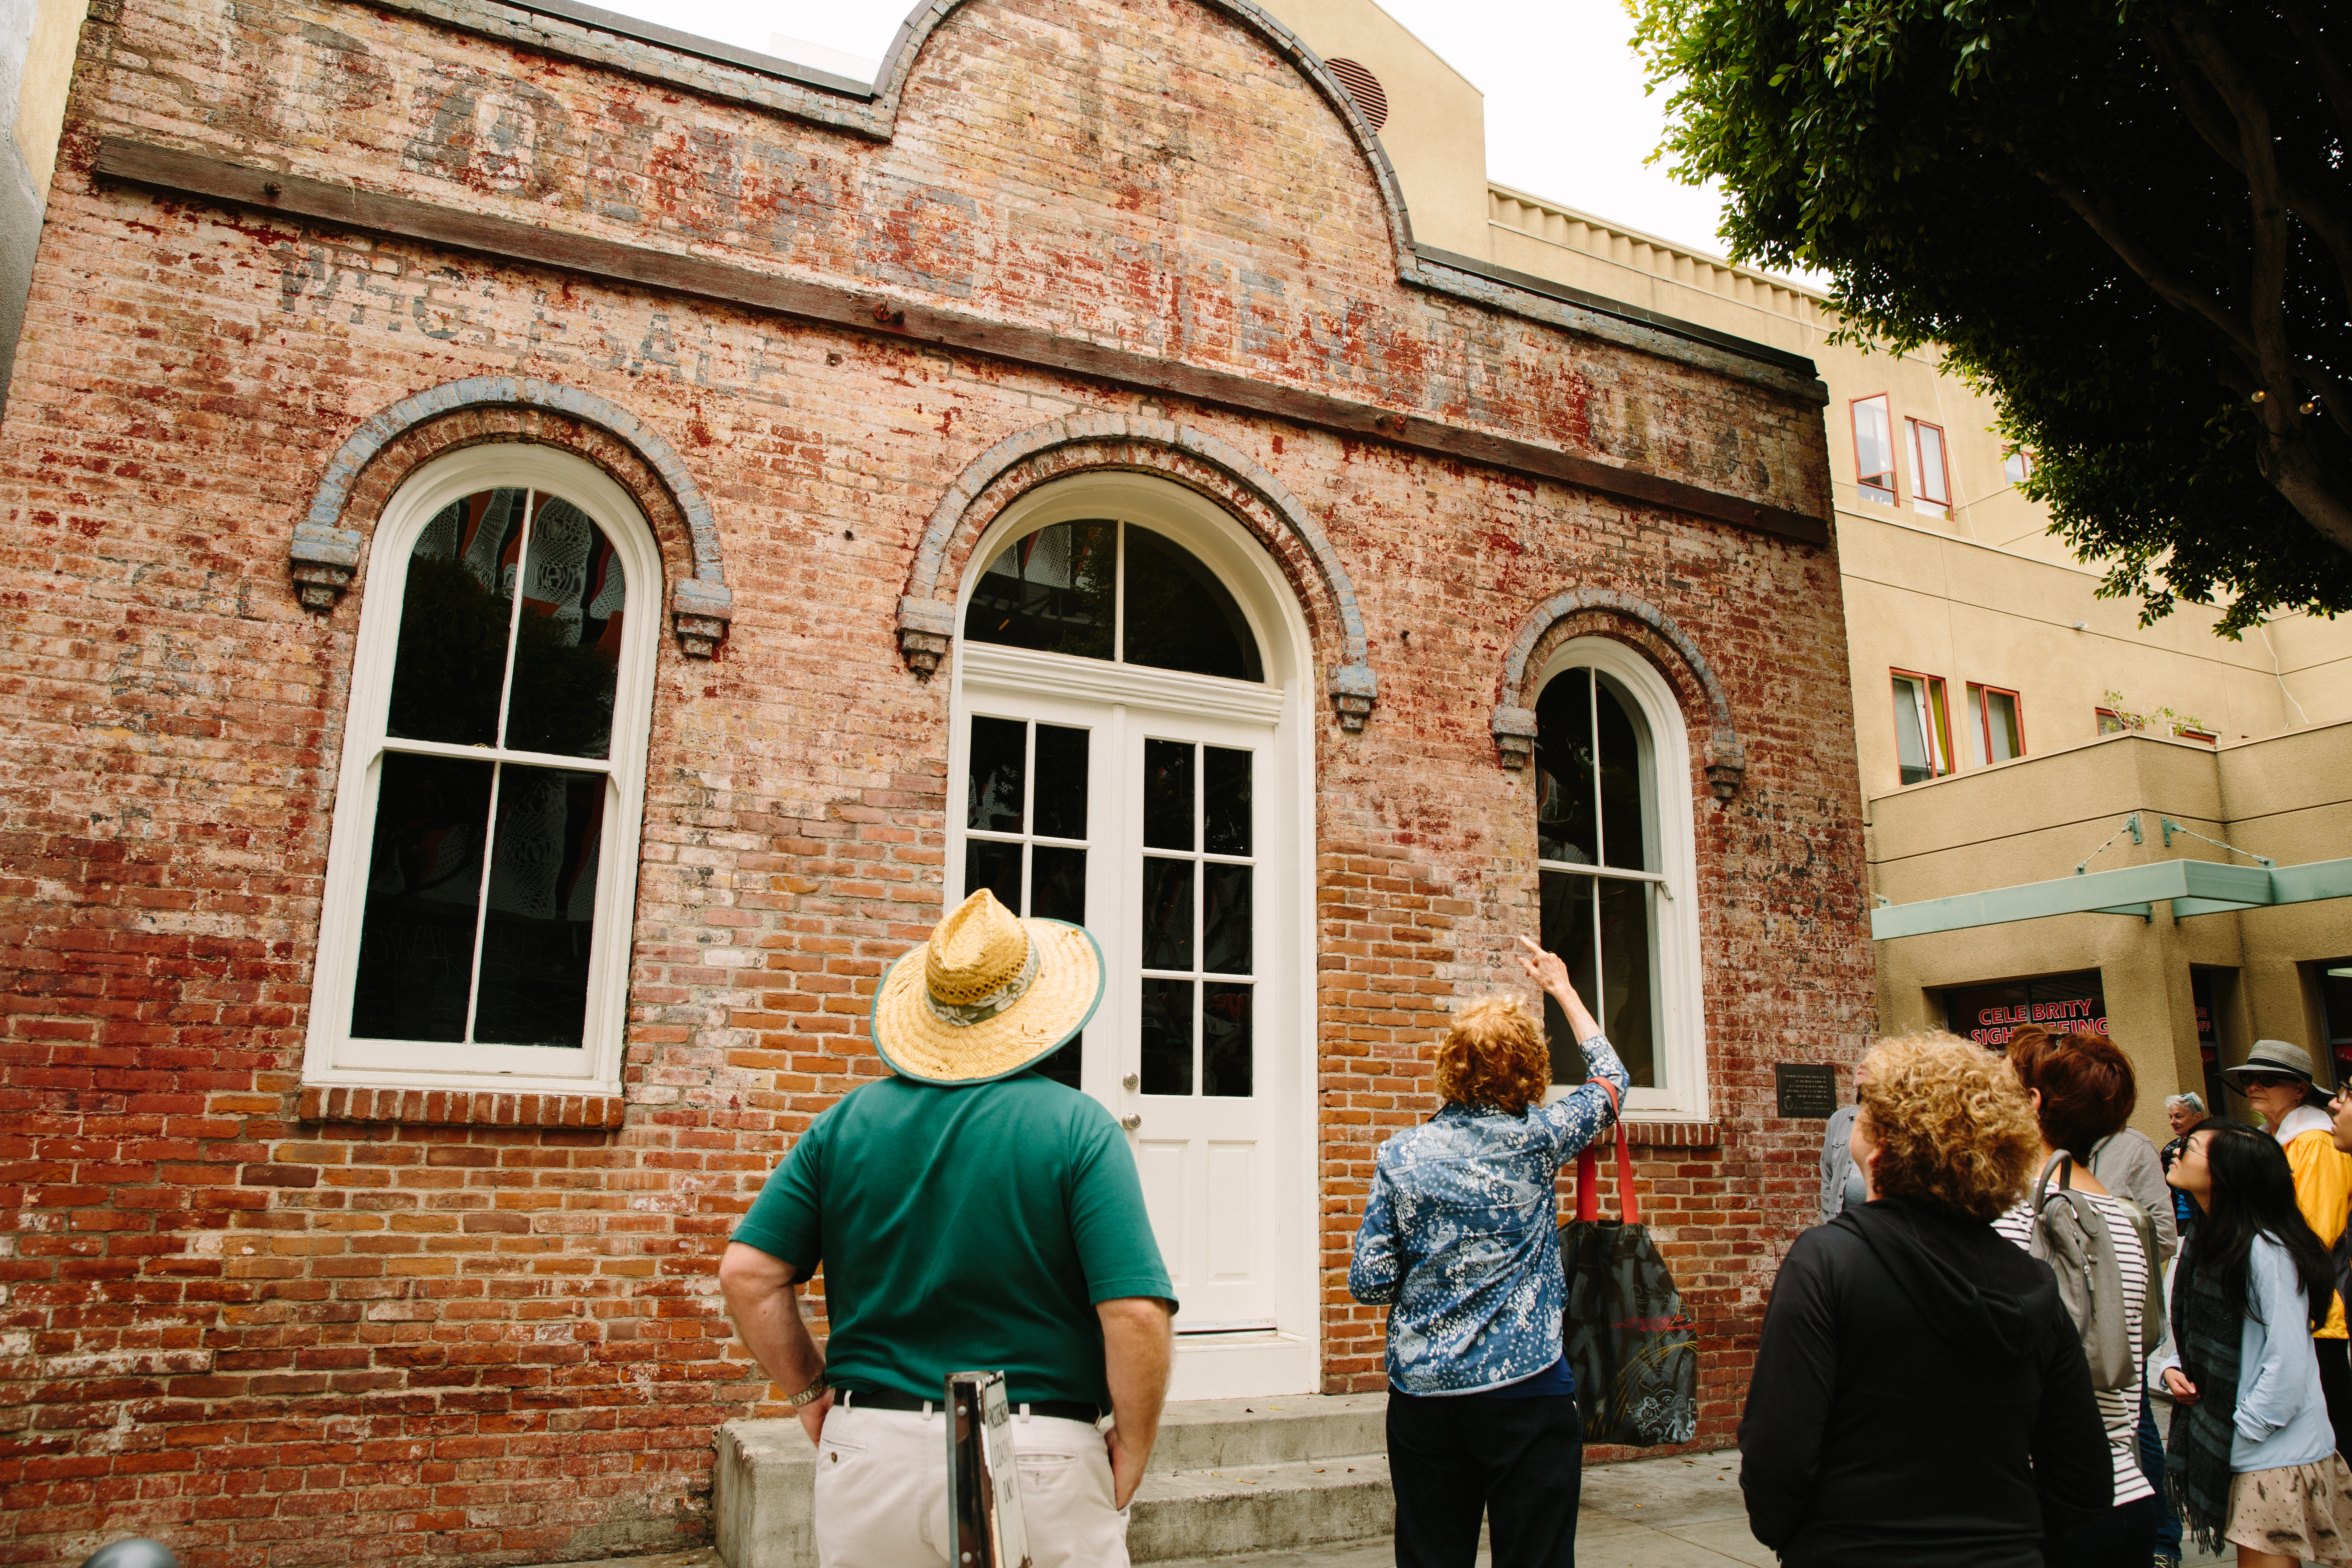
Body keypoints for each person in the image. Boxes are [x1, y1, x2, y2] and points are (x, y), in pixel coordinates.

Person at [717, 889, 1177, 1568]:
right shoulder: (1080, 1129)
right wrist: (1134, 1445)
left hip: (869, 1448)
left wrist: (812, 1395)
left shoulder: (846, 1124)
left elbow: (748, 1274)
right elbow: (1135, 1315)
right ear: (1034, 1010)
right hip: (1037, 1448)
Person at [1740, 1032, 2111, 1567]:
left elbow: (1777, 1454)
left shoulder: (1826, 1263)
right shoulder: (2031, 1281)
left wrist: (1806, 1539)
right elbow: (2085, 1481)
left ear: (1886, 1140)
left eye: (1869, 1109)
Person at [1348, 935, 1627, 1568]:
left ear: (1451, 1065)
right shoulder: (1542, 1139)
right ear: (1531, 1069)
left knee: (1430, 1555)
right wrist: (1561, 988)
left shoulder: (1401, 1155)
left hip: (1425, 1396)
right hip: (1526, 1391)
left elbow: (1368, 1282)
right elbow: (1612, 1080)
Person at [1994, 1027, 2160, 1567]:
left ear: (2031, 1103)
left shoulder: (2017, 1217)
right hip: (2124, 1489)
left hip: (2045, 1500)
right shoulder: (2126, 1218)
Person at [2158, 1118, 2352, 1566]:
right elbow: (2179, 1335)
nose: (2177, 1151)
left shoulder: (2267, 1248)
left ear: (2225, 1174)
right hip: (2249, 1442)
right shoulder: (2201, 1241)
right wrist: (2170, 1370)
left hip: (2275, 1449)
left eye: (2191, 1146)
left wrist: (2244, 1427)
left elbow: (2288, 1359)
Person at [2225, 1041, 2352, 1460]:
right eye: (2248, 1078)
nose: (2254, 1086)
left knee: (2331, 1426)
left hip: (2316, 1307)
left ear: (2300, 1090)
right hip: (2289, 1301)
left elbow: (2315, 1231)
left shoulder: (2314, 1141)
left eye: (2269, 1079)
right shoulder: (2272, 1140)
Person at [1820, 1062, 1868, 1221]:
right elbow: (1827, 1177)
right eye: (1862, 1061)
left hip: (1881, 1231)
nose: (1862, 1065)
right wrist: (1830, 1222)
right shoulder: (1838, 1120)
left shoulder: (1900, 1122)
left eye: (1872, 1062)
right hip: (1841, 1225)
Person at [2165, 1093, 2212, 1240]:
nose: (2173, 1122)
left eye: (2179, 1117)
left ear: (2198, 1117)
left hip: (2208, 1214)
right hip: (2182, 1218)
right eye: (2171, 1117)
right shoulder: (2169, 1150)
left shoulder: (2213, 1144)